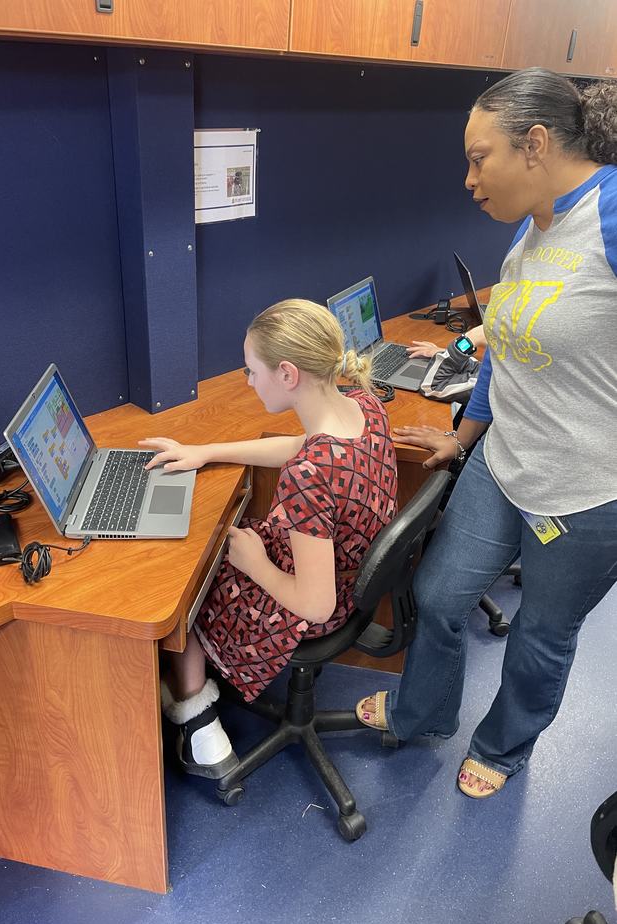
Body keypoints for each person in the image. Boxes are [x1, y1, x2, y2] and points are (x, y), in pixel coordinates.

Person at [356, 67, 617, 799]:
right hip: (503, 461)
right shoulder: (535, 228)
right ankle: (422, 711)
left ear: (535, 145)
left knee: (540, 636)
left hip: (588, 493)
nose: (469, 179)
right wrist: (465, 436)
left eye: (480, 157)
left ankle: (503, 747)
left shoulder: (611, 213)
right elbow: (502, 345)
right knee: (439, 595)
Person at [140, 299, 398, 779]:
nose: (247, 381)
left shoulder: (309, 475)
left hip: (317, 608)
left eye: (250, 370)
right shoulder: (365, 406)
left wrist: (256, 563)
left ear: (286, 373)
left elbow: (316, 605)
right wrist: (206, 451)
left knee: (191, 586)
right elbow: (299, 447)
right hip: (355, 579)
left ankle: (194, 716)